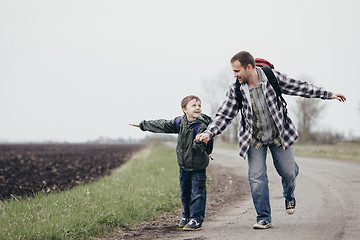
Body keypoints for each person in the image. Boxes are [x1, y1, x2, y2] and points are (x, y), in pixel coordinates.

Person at [196, 51, 346, 229]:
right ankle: (263, 217)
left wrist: (328, 94)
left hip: (278, 136)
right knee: (257, 178)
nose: (235, 75)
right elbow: (224, 115)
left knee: (289, 174)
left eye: (237, 71)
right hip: (254, 138)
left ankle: (289, 194)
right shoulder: (236, 88)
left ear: (249, 67)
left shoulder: (271, 77)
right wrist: (209, 133)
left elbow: (300, 87)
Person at [129, 95, 212, 231]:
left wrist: (199, 141)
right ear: (184, 109)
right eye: (194, 105)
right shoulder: (180, 122)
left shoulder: (201, 126)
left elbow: (200, 149)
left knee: (197, 193)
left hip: (198, 167)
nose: (197, 108)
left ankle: (196, 219)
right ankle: (186, 215)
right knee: (185, 193)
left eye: (199, 105)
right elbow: (162, 125)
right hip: (183, 166)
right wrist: (143, 125)